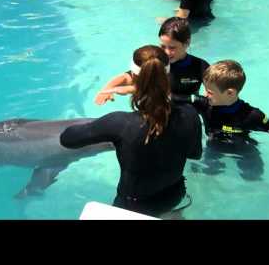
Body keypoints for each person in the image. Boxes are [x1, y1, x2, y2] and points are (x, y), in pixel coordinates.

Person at [60, 45, 202, 218]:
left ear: (133, 77)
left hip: (133, 206)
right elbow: (195, 154)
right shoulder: (190, 114)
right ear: (167, 76)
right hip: (174, 195)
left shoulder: (119, 123)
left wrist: (102, 126)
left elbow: (67, 139)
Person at [174, 60, 269, 179]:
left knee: (252, 177)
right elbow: (171, 99)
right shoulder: (203, 104)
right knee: (210, 174)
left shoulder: (252, 116)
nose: (205, 95)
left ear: (230, 93)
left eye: (210, 92)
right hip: (214, 146)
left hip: (243, 148)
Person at [95, 17, 209, 105]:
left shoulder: (199, 66)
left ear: (187, 43)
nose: (167, 52)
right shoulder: (156, 60)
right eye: (163, 46)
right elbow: (127, 77)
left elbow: (215, 93)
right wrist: (107, 89)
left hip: (185, 113)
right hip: (156, 111)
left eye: (172, 48)